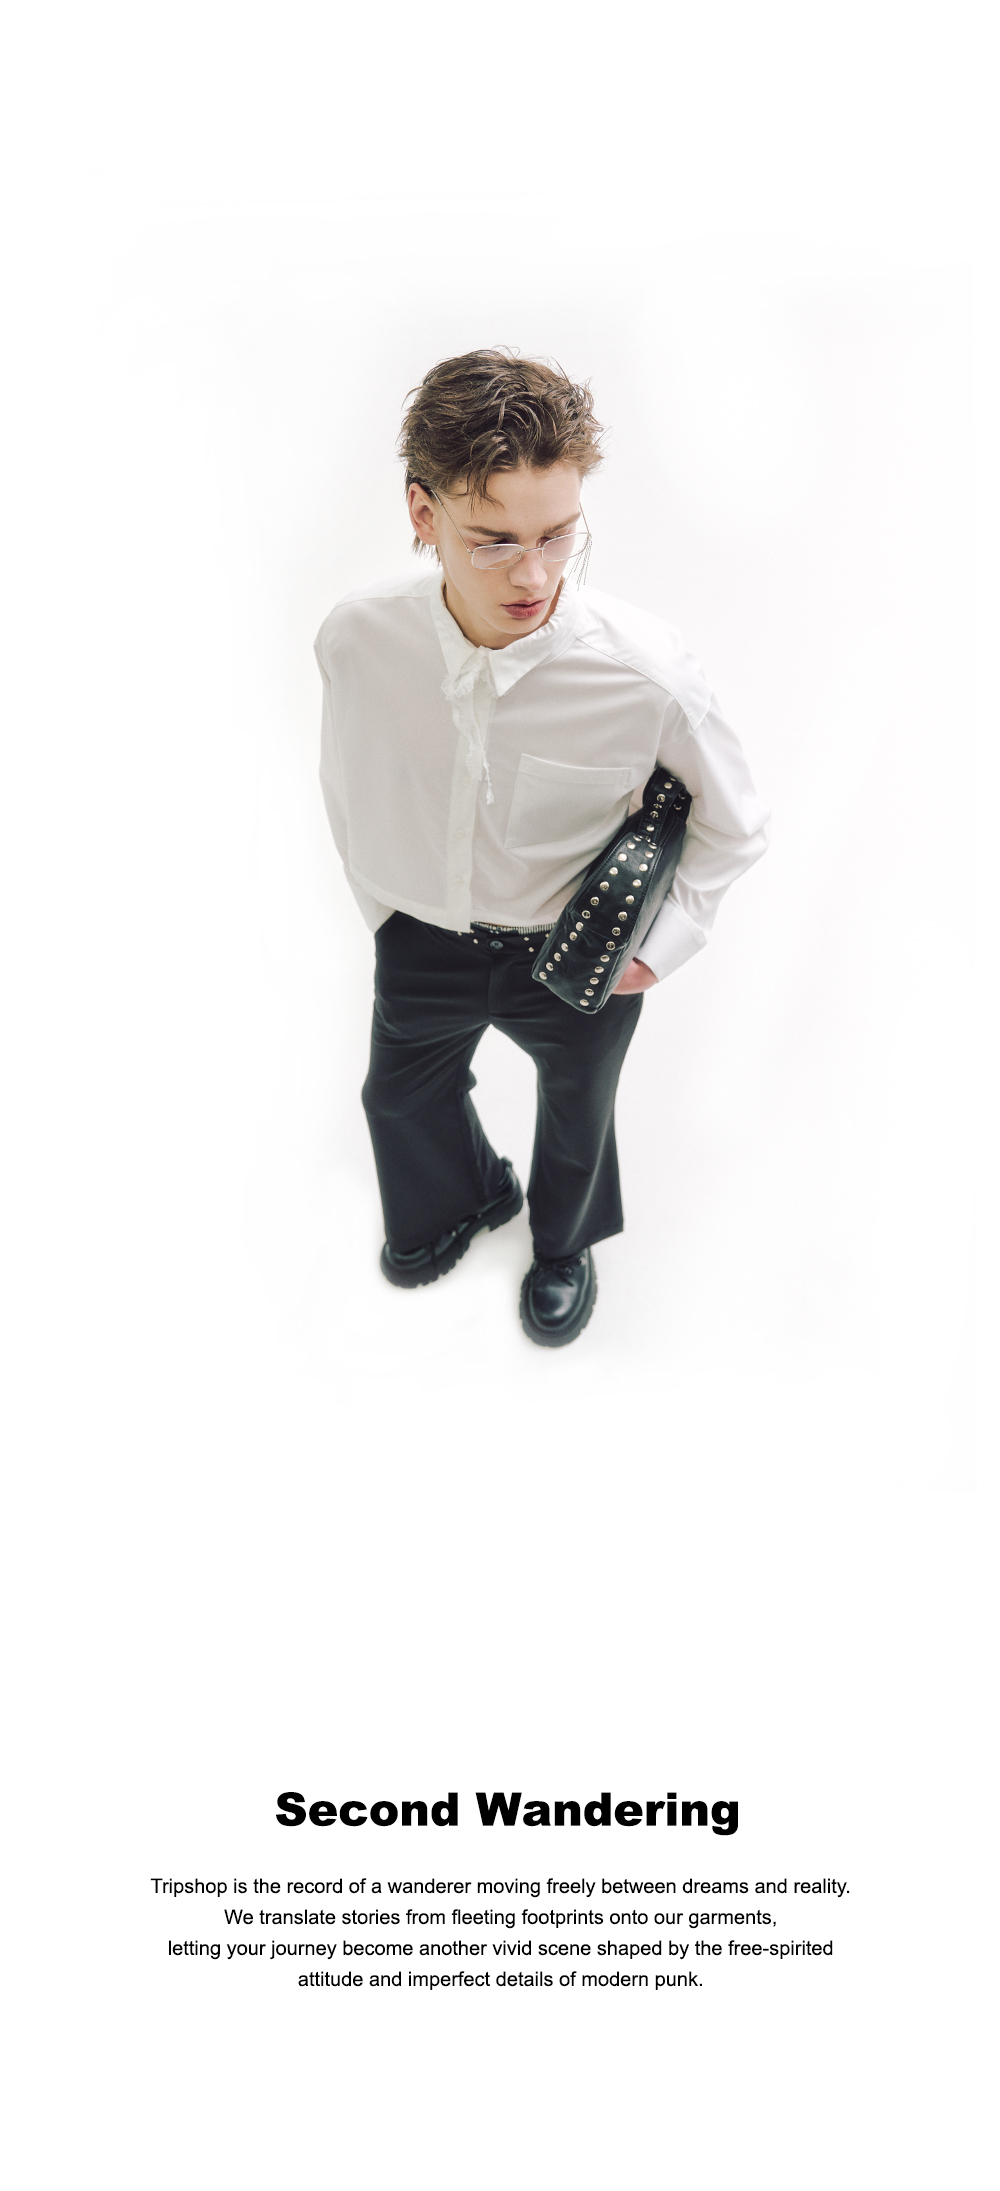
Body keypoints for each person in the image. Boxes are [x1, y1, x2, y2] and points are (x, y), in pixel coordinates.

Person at [315, 349, 768, 1347]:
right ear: (423, 513)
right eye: (494, 541)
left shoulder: (647, 674)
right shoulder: (355, 639)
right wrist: (385, 910)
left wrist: (664, 946)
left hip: (575, 955)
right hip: (421, 939)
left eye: (558, 535)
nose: (534, 574)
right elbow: (349, 780)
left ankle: (564, 1247)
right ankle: (467, 1196)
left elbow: (735, 820)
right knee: (396, 1095)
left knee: (578, 1112)